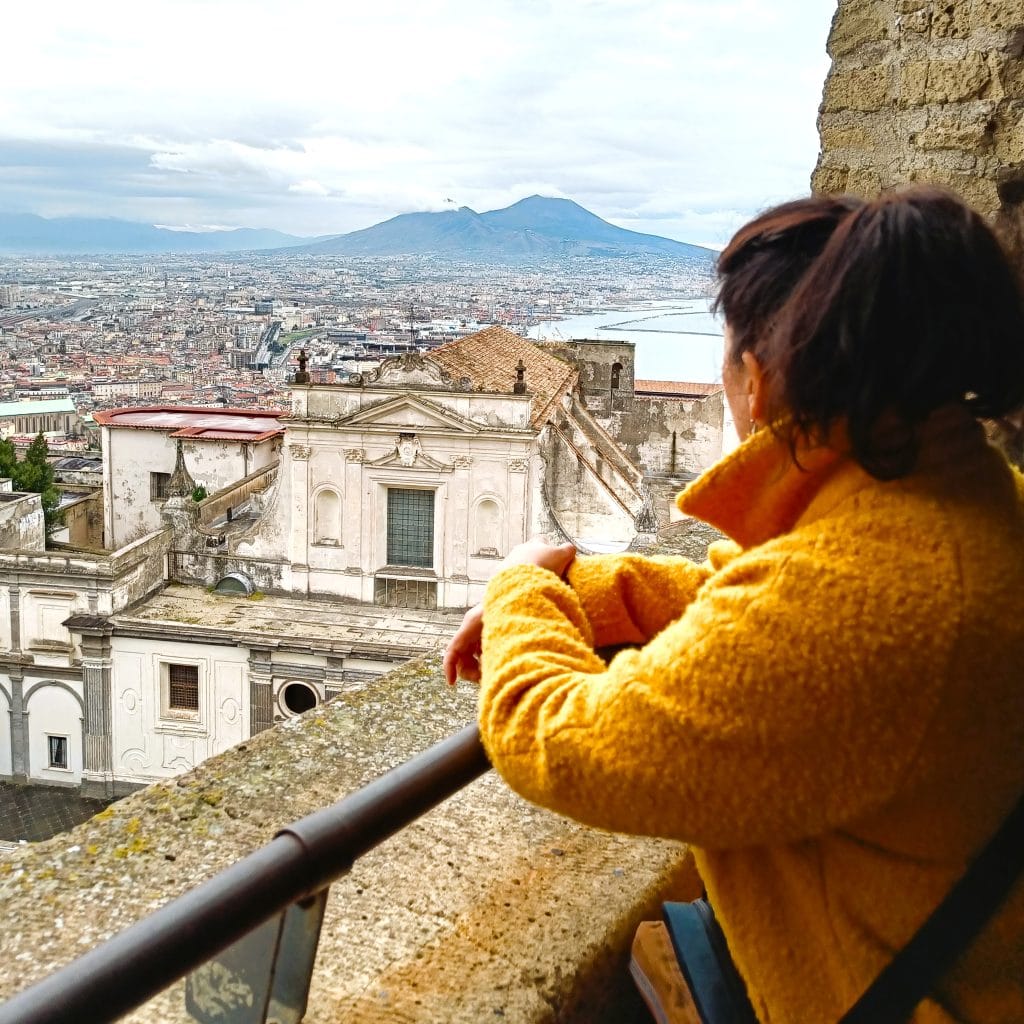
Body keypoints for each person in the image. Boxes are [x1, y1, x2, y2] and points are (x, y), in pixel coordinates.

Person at [443, 186, 1024, 1022]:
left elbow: (556, 741)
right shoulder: (966, 508)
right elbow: (757, 609)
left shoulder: (866, 598)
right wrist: (603, 591)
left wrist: (522, 585)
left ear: (760, 376)